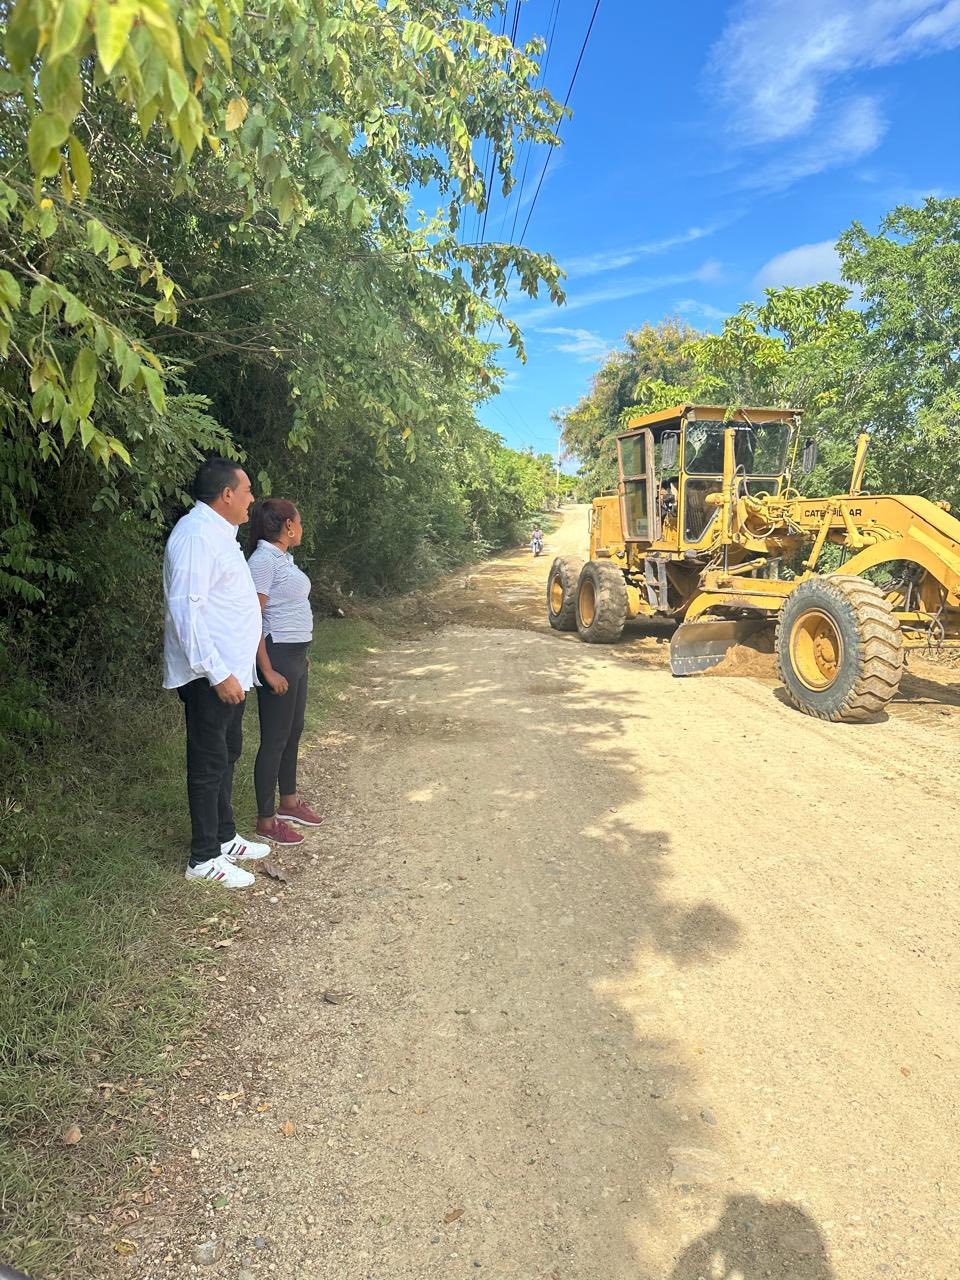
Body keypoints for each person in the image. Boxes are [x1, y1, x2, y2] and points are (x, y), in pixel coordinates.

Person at [163, 457, 269, 889]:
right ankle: (203, 857)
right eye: (246, 492)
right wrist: (217, 672)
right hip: (210, 677)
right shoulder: (194, 536)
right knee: (208, 763)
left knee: (227, 754)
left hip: (230, 674)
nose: (252, 500)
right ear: (227, 494)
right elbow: (185, 610)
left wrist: (235, 672)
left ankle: (225, 838)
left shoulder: (221, 535)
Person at [247, 499, 323, 845]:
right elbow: (253, 617)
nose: (302, 528)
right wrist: (267, 668)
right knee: (275, 737)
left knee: (294, 729)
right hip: (276, 657)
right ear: (288, 526)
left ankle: (289, 801)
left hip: (294, 655)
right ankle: (266, 821)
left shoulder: (282, 559)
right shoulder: (263, 560)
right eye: (300, 522)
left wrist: (300, 656)